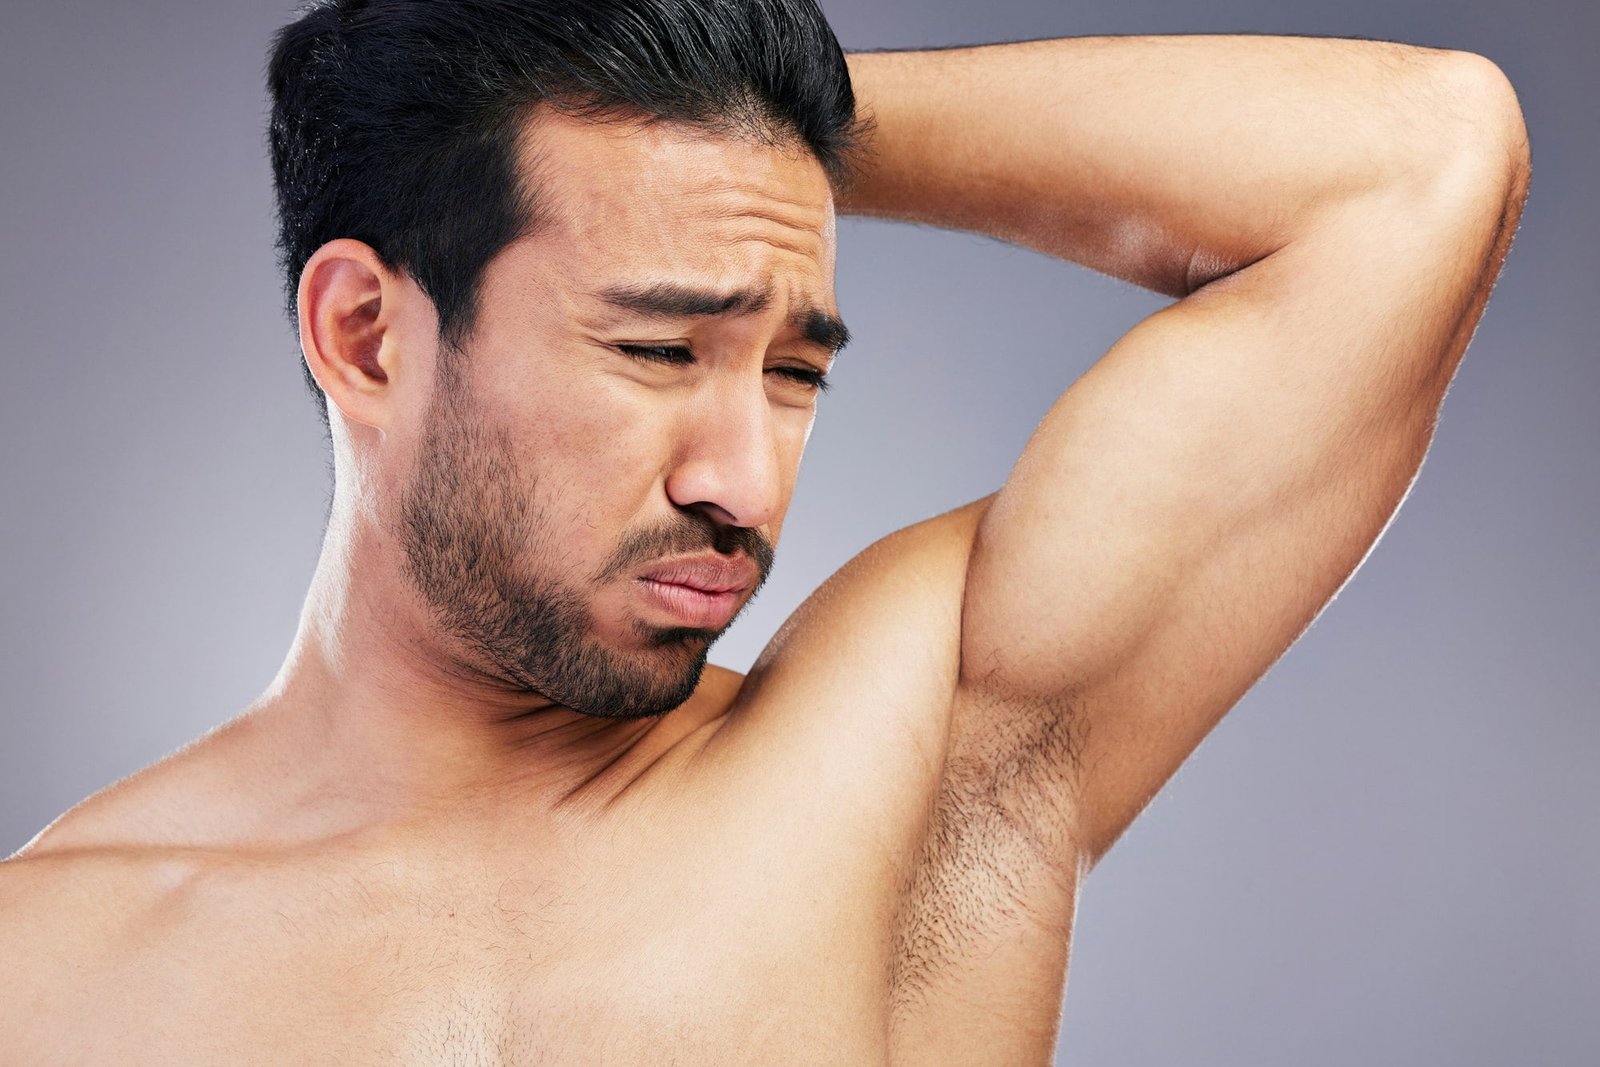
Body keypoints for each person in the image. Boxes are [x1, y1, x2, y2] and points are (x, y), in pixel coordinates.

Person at [0, 1, 1528, 1063]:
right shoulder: (42, 977)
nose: (747, 481)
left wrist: (730, 131)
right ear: (369, 338)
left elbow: (1418, 164)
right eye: (660, 350)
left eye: (795, 373)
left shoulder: (907, 761)